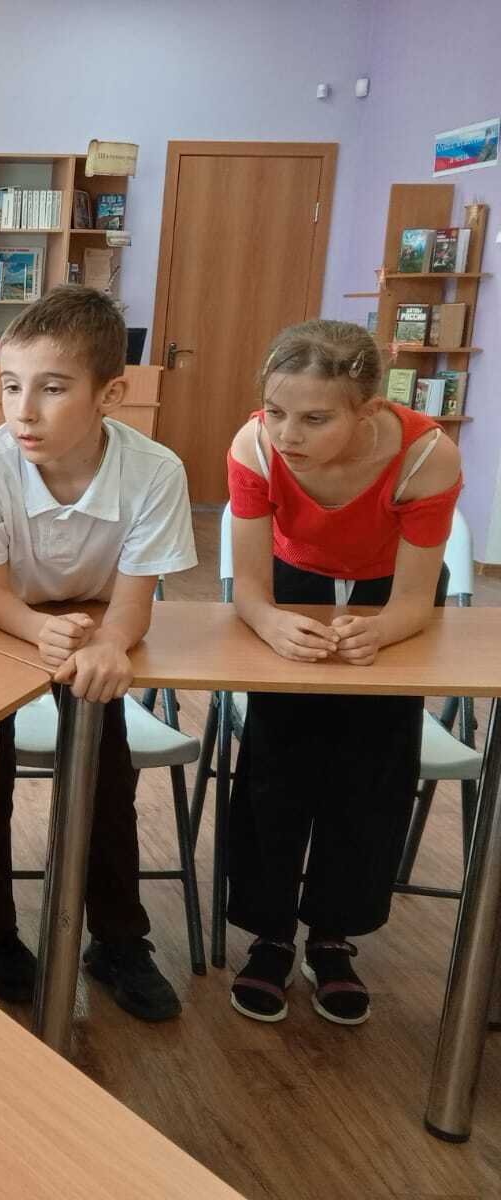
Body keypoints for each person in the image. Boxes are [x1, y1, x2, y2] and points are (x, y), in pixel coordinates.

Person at [0, 286, 196, 1021]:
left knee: (104, 765)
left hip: (97, 618)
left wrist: (109, 644)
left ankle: (118, 941)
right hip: (3, 621)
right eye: (10, 386)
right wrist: (36, 629)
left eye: (52, 389)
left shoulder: (154, 471)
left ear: (110, 393)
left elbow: (135, 604)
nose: (24, 411)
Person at [225, 319, 461, 1026]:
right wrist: (270, 623)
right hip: (292, 582)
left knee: (373, 764)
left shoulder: (426, 456)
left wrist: (380, 629)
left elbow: (415, 602)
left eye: (314, 418)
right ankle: (270, 934)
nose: (287, 433)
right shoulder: (254, 447)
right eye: (275, 411)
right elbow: (249, 590)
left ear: (368, 411)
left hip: (389, 591)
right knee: (275, 757)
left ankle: (333, 936)